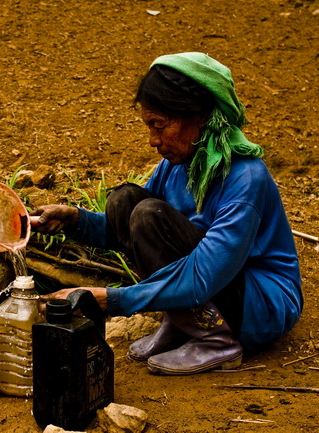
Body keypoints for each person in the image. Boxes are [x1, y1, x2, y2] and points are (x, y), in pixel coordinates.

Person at [32, 52, 302, 375]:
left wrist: (112, 300)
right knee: (126, 202)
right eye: (149, 126)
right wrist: (75, 220)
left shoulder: (246, 178)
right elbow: (125, 230)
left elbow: (204, 274)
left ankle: (219, 340)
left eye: (160, 125)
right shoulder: (178, 163)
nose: (152, 140)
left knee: (148, 215)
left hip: (259, 303)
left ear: (200, 115)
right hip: (216, 283)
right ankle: (183, 320)